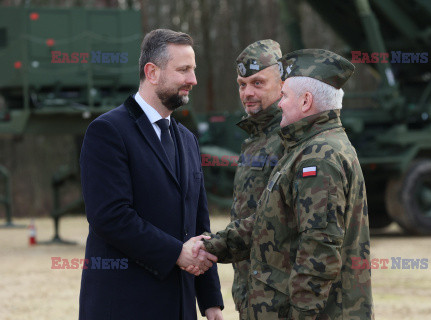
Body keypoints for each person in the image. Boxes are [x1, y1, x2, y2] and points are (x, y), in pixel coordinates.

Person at [190, 49, 373, 319]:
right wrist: (210, 247)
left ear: (306, 101)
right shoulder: (305, 148)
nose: (280, 104)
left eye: (285, 96)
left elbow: (318, 252)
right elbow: (268, 220)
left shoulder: (320, 157)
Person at [79, 29, 223, 320]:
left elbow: (199, 224)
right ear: (152, 72)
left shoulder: (187, 139)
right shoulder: (107, 132)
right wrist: (175, 253)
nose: (192, 80)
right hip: (124, 307)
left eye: (193, 70)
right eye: (183, 70)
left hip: (180, 308)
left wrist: (210, 301)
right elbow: (110, 216)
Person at [230, 39, 285, 319]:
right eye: (242, 84)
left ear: (282, 82)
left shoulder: (290, 137)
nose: (247, 93)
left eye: (258, 83)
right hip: (253, 293)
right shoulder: (256, 138)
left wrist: (214, 247)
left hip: (281, 297)